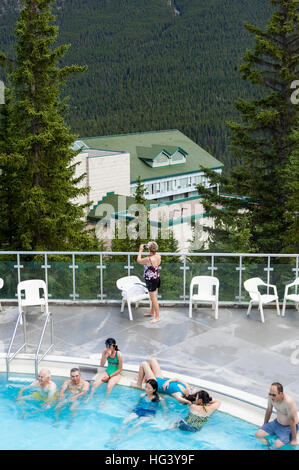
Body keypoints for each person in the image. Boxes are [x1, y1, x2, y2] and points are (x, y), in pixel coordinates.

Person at [110, 379, 166, 447]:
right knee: (125, 421)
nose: (146, 389)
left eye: (149, 388)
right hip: (139, 410)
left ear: (154, 390)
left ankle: (121, 441)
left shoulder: (158, 399)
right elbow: (138, 404)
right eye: (146, 387)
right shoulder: (142, 395)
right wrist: (132, 409)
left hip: (149, 414)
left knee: (136, 425)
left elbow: (165, 408)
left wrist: (165, 415)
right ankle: (115, 437)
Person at [255, 382, 298, 449]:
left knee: (277, 445)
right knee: (258, 435)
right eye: (270, 394)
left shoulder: (288, 402)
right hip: (276, 423)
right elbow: (269, 410)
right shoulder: (271, 398)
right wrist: (264, 424)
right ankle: (268, 447)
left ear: (280, 394)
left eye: (274, 395)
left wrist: (294, 439)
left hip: (288, 427)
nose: (271, 397)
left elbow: (292, 420)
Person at [89, 338, 123, 406]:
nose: (107, 348)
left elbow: (120, 369)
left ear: (114, 346)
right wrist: (106, 356)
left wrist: (109, 377)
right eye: (106, 346)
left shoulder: (118, 354)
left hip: (116, 374)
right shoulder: (104, 352)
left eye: (109, 346)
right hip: (107, 371)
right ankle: (89, 397)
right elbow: (101, 364)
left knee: (109, 386)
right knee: (95, 384)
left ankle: (104, 401)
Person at [137, 241, 161, 323]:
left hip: (151, 280)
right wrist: (149, 246)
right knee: (154, 296)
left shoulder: (149, 259)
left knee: (153, 298)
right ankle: (152, 312)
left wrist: (140, 250)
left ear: (149, 249)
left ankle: (157, 317)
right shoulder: (158, 256)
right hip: (157, 278)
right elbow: (154, 250)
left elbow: (139, 260)